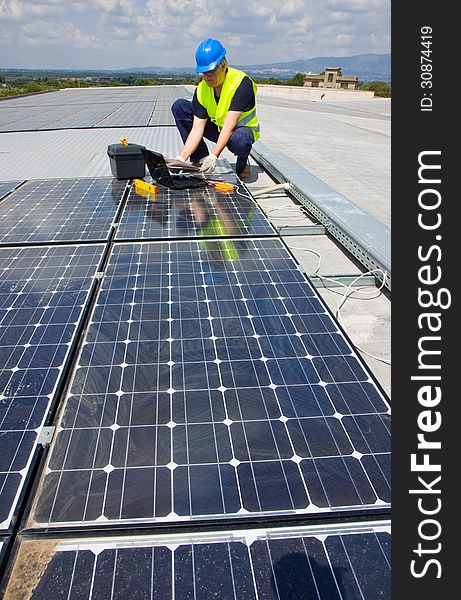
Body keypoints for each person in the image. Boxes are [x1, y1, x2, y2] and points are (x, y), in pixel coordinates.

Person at [171, 38, 260, 180]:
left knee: (240, 141)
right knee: (180, 107)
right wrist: (181, 158)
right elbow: (197, 129)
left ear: (222, 65)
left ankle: (243, 161)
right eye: (203, 72)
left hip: (240, 131)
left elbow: (230, 126)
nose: (206, 76)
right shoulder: (202, 89)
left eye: (210, 71)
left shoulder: (241, 83)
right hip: (219, 129)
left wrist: (214, 157)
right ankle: (199, 157)